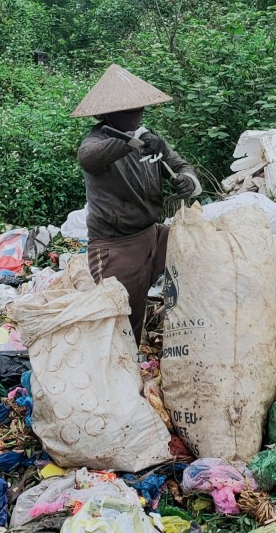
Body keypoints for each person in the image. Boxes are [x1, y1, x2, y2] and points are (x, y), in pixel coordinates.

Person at [71, 64, 201, 342]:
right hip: (115, 245)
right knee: (122, 324)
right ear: (109, 114)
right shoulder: (97, 141)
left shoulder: (151, 138)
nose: (137, 114)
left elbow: (181, 166)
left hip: (152, 234)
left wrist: (187, 181)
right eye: (128, 111)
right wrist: (131, 142)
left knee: (199, 257)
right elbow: (88, 157)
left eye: (139, 109)